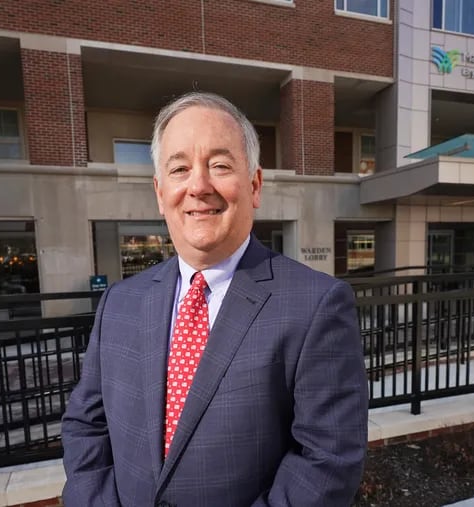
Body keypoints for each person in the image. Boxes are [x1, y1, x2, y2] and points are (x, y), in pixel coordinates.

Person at [61, 92, 368, 506]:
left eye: (220, 166)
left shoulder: (316, 305)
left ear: (255, 185)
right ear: (159, 190)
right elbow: (86, 426)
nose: (198, 186)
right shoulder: (120, 303)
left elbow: (327, 463)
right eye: (180, 168)